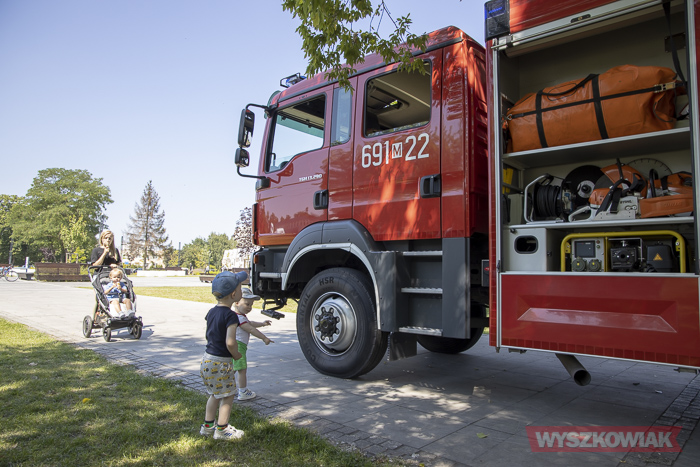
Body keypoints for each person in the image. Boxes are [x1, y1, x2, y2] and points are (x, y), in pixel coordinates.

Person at [199, 270, 248, 441]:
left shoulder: (211, 312)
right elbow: (230, 342)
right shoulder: (231, 316)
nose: (241, 291)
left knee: (215, 394)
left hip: (207, 359)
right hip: (221, 363)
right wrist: (236, 355)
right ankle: (222, 429)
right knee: (228, 395)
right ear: (234, 294)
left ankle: (207, 427)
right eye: (240, 288)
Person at [233, 287, 274, 401]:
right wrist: (264, 338)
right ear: (236, 302)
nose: (249, 307)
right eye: (247, 304)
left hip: (236, 345)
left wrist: (262, 324)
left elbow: (250, 323)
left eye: (251, 305)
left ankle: (224, 387)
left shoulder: (237, 317)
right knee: (241, 369)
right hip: (239, 346)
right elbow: (250, 328)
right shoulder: (240, 318)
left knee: (233, 368)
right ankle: (242, 391)